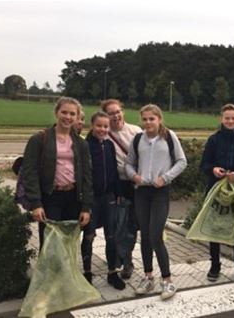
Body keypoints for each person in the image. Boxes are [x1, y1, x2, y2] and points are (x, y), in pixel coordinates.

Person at [125, 104, 187, 300]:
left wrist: (166, 178)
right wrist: (134, 176)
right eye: (144, 119)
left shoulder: (169, 137)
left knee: (155, 235)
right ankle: (148, 276)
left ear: (159, 119)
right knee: (144, 235)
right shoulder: (137, 140)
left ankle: (167, 281)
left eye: (152, 119)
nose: (148, 122)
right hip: (142, 192)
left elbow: (182, 161)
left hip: (160, 192)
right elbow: (128, 163)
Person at [21, 96, 92, 248]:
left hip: (73, 198)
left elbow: (87, 176)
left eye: (72, 114)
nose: (68, 117)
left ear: (77, 117)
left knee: (68, 245)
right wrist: (36, 203)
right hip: (50, 197)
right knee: (50, 245)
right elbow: (29, 172)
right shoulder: (40, 139)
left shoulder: (81, 143)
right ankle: (48, 273)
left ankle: (66, 273)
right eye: (64, 112)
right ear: (56, 113)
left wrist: (86, 207)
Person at [200, 103, 234, 282]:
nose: (230, 121)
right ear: (221, 119)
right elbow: (204, 165)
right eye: (227, 118)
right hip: (215, 190)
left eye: (233, 118)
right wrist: (213, 170)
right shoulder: (214, 140)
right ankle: (215, 265)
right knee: (215, 227)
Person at [80, 111, 125, 290]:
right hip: (91, 199)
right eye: (99, 126)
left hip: (109, 198)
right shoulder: (84, 146)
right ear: (92, 125)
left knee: (111, 236)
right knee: (89, 236)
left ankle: (112, 273)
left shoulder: (109, 145)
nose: (102, 129)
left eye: (106, 126)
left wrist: (116, 192)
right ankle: (87, 272)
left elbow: (113, 170)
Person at [101, 99, 142, 279]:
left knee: (132, 224)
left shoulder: (136, 131)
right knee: (119, 224)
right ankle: (125, 260)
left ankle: (126, 258)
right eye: (111, 113)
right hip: (118, 186)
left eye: (118, 111)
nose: (115, 116)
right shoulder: (103, 134)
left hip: (138, 184)